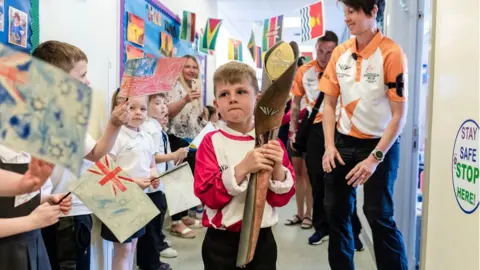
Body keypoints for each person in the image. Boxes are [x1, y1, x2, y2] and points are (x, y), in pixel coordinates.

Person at [320, 0, 408, 269]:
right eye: (345, 12)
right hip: (343, 143)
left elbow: (398, 115)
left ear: (373, 11)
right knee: (336, 213)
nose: (347, 18)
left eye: (352, 11)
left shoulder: (392, 53)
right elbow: (329, 104)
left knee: (378, 215)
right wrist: (328, 146)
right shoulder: (341, 53)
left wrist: (375, 158)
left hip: (380, 144)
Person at [33, 40, 130, 270]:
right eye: (82, 75)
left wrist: (114, 124)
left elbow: (95, 153)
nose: (88, 82)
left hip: (75, 211)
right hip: (53, 214)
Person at [194, 61, 295, 270]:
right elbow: (207, 195)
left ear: (257, 99)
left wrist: (277, 169)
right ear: (216, 103)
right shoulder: (211, 142)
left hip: (262, 240)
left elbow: (281, 198)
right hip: (221, 242)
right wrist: (242, 169)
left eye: (240, 91)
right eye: (224, 94)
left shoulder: (270, 142)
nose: (232, 98)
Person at [290, 31, 364, 248]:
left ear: (336, 51)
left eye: (329, 52)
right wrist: (293, 131)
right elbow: (295, 104)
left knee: (345, 182)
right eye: (320, 51)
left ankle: (353, 232)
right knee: (317, 181)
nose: (324, 56)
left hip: (341, 129)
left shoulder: (347, 69)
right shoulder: (305, 71)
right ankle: (321, 227)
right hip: (314, 130)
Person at [103, 93, 160, 270]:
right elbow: (106, 171)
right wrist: (134, 181)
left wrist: (154, 175)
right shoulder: (116, 137)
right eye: (131, 108)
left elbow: (151, 164)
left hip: (138, 198)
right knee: (124, 250)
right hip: (118, 199)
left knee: (133, 247)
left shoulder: (147, 137)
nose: (138, 113)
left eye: (142, 108)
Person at [136, 93, 189, 270]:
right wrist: (174, 155)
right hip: (154, 185)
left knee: (156, 224)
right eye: (157, 103)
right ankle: (151, 263)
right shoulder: (150, 129)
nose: (163, 107)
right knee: (152, 226)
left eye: (165, 103)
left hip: (159, 183)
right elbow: (154, 157)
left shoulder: (156, 128)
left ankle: (153, 259)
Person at [0, 144, 72, 270]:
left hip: (33, 243)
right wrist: (31, 221)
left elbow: (18, 193)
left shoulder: (25, 152)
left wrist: (45, 199)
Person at [165, 55, 204, 238]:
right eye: (187, 66)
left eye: (194, 67)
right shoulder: (174, 86)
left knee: (188, 180)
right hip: (176, 138)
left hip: (192, 139)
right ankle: (175, 222)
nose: (191, 70)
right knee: (178, 180)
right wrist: (186, 100)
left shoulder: (195, 87)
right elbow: (168, 112)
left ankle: (185, 216)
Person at [284, 57, 312, 230]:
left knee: (308, 177)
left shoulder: (312, 90)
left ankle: (309, 214)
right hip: (293, 137)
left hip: (309, 136)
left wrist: (287, 117)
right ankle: (300, 213)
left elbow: (303, 112)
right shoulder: (290, 92)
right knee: (298, 176)